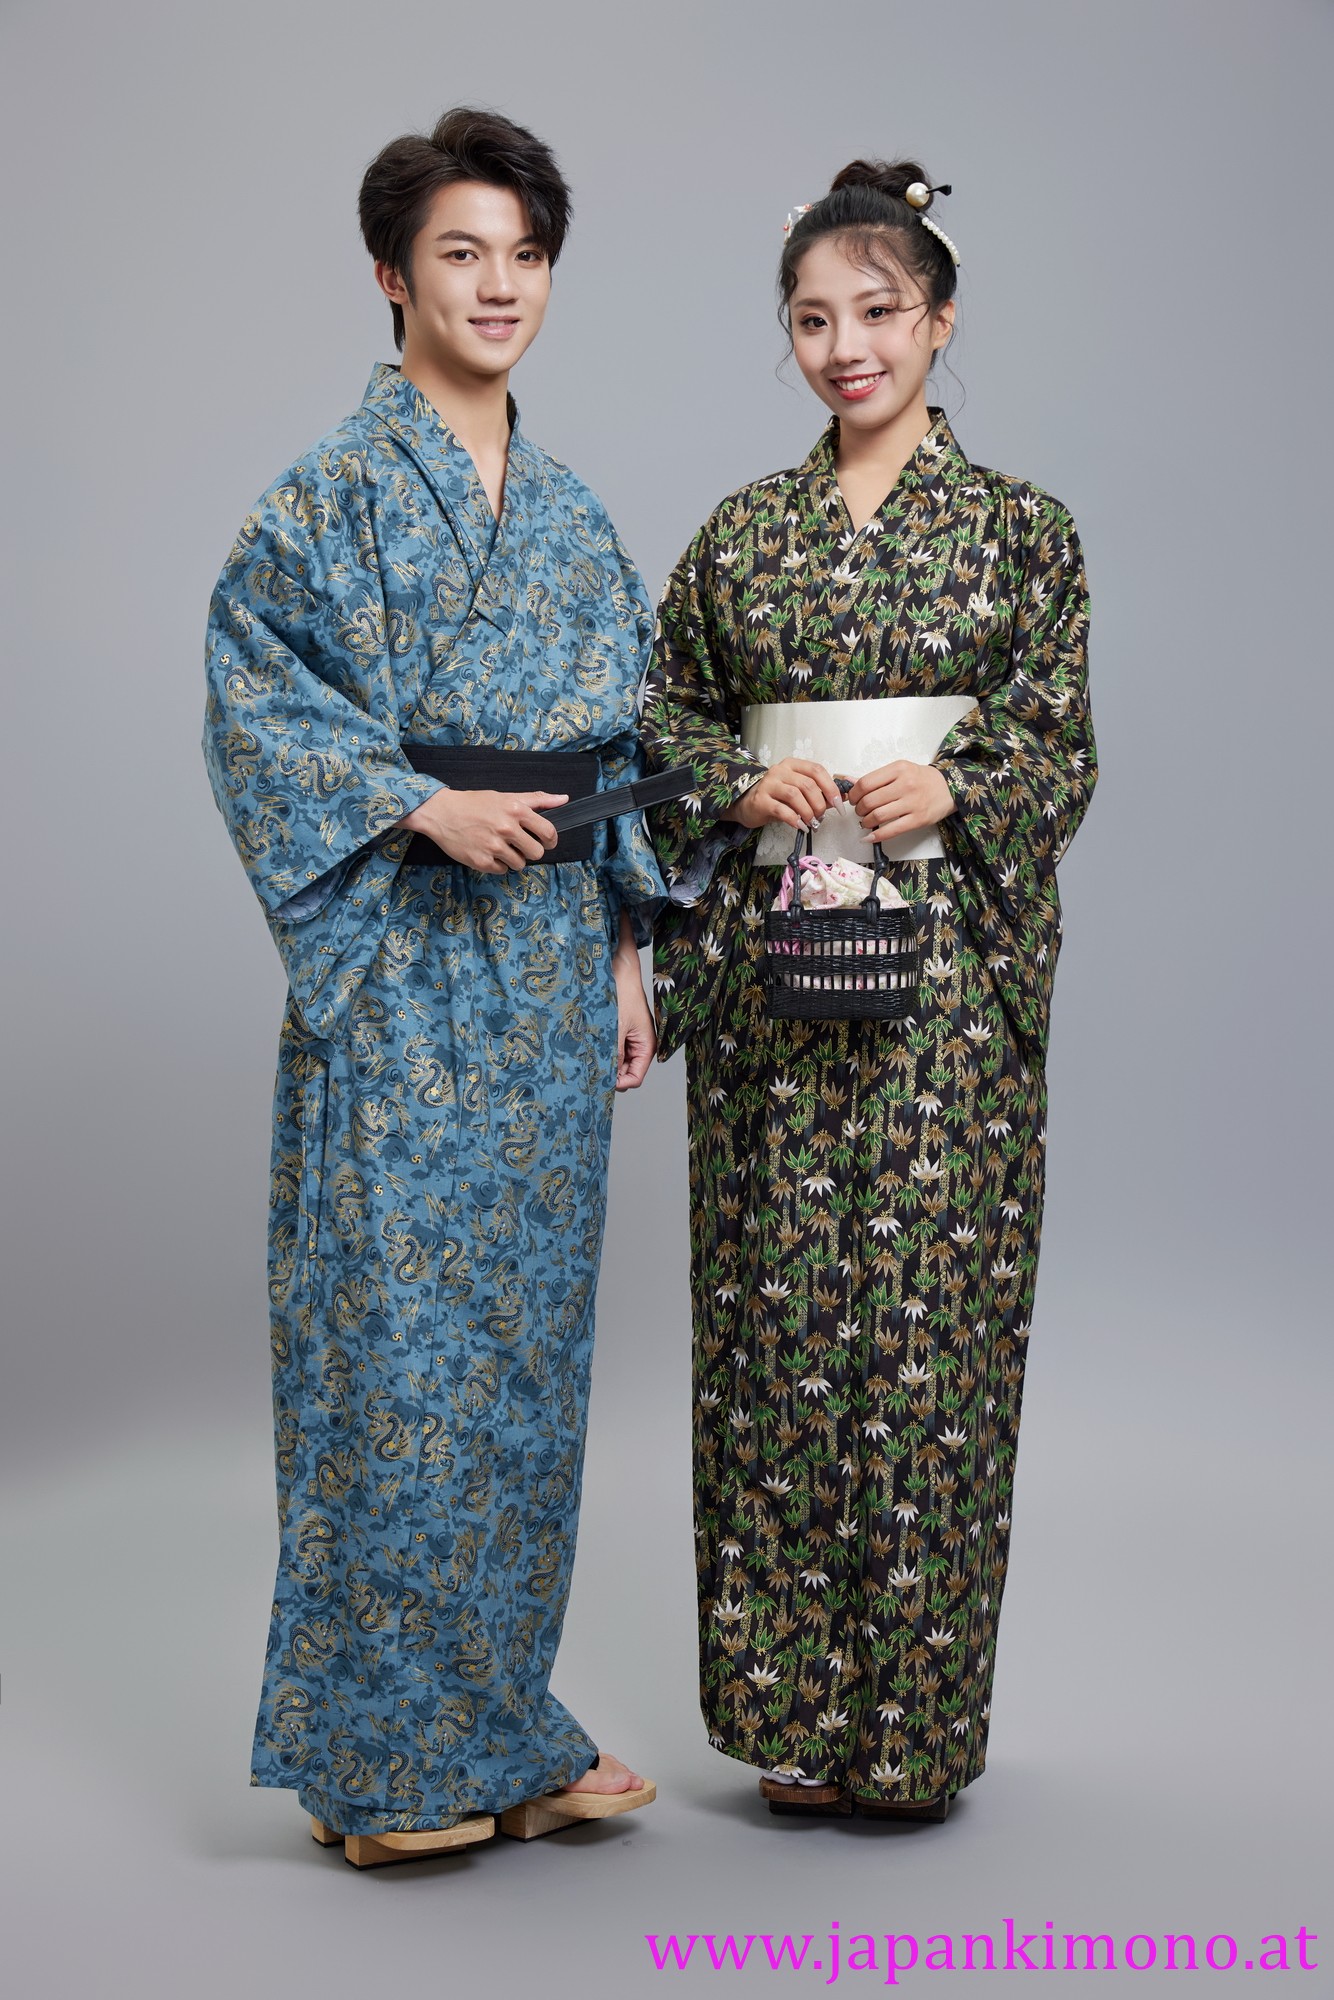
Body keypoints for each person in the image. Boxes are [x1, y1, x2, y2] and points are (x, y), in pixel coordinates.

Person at [203, 107, 661, 1867]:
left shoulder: (573, 515)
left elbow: (616, 751)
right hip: (399, 965)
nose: (497, 286)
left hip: (544, 968)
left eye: (524, 256)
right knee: (393, 1355)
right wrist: (412, 802)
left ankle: (502, 1728)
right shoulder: (326, 494)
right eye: (461, 253)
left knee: (528, 1364)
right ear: (391, 275)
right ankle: (380, 1765)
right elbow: (255, 700)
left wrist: (626, 947)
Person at [642, 160, 1096, 1821]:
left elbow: (1057, 738)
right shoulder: (740, 536)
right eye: (812, 321)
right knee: (770, 1335)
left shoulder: (1022, 530)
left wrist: (959, 781)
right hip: (774, 977)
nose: (846, 348)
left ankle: (907, 1734)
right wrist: (734, 782)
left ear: (939, 319)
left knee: (934, 1341)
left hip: (947, 993)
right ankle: (788, 1719)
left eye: (878, 313)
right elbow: (666, 715)